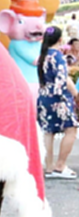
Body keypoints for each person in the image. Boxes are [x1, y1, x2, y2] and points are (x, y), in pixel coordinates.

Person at [36, 26, 79, 179]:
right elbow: (62, 79)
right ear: (60, 40)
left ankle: (49, 167)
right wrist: (69, 97)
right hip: (58, 98)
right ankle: (60, 166)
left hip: (44, 96)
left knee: (48, 131)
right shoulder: (58, 56)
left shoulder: (43, 55)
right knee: (71, 129)